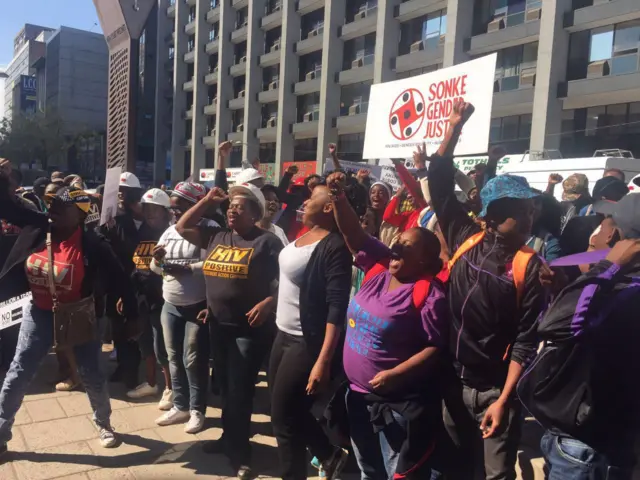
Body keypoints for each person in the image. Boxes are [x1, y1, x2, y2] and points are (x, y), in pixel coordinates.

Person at [428, 99, 545, 480]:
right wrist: (454, 127)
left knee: (496, 475)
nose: (531, 219)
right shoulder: (464, 236)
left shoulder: (529, 266)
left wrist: (505, 400)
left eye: (532, 212)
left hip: (495, 392)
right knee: (456, 467)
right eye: (522, 212)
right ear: (493, 216)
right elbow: (440, 178)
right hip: (453, 381)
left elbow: (527, 342)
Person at [328, 171, 448, 479]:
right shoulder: (378, 270)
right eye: (399, 241)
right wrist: (339, 197)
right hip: (355, 395)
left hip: (394, 405)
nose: (399, 245)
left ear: (424, 260)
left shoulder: (428, 295)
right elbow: (353, 235)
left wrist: (395, 374)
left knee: (397, 470)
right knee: (368, 468)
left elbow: (436, 346)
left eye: (409, 245)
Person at [0, 184, 138, 452]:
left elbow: (121, 278)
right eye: (51, 205)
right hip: (39, 313)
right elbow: (6, 208)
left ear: (80, 215)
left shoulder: (93, 243)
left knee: (92, 374)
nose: (52, 211)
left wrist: (131, 314)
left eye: (61, 207)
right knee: (19, 372)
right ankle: (1, 432)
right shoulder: (38, 228)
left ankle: (103, 422)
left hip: (79, 315)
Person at [518, 194, 640, 479]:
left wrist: (607, 266)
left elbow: (555, 324)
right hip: (576, 439)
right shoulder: (619, 288)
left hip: (587, 447)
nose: (594, 232)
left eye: (602, 223)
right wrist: (564, 288)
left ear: (616, 237)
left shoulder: (627, 292)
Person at [176, 182, 283, 479]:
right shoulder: (217, 236)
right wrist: (208, 200)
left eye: (241, 206)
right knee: (223, 386)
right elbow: (183, 226)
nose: (233, 210)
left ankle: (241, 454)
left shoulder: (267, 242)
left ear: (255, 214)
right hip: (218, 327)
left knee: (240, 391)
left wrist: (269, 303)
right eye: (230, 206)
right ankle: (228, 439)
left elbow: (289, 280)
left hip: (247, 330)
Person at [268, 180, 353, 480]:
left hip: (306, 343)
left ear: (329, 207)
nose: (305, 202)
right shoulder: (304, 235)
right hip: (282, 334)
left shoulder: (334, 245)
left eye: (312, 198)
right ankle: (329, 456)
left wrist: (323, 360)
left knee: (283, 419)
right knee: (286, 411)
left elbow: (336, 307)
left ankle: (297, 472)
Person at [151, 182, 212, 433]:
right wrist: (156, 260)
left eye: (180, 207)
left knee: (193, 360)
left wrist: (186, 268)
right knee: (174, 357)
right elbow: (155, 269)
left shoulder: (209, 231)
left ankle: (198, 410)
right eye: (173, 208)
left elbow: (213, 263)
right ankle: (180, 405)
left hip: (197, 304)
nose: (175, 212)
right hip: (171, 303)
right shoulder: (167, 232)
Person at [123, 188, 172, 408]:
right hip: (140, 296)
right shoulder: (142, 233)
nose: (150, 214)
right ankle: (151, 383)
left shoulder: (170, 234)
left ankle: (170, 389)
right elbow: (135, 265)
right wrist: (128, 294)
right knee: (146, 344)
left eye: (155, 210)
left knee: (162, 346)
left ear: (165, 212)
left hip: (161, 298)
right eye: (147, 209)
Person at [101, 172, 144, 389]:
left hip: (136, 279)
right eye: (118, 190)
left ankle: (134, 369)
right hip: (114, 279)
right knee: (117, 325)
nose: (120, 195)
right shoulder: (112, 217)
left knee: (133, 326)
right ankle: (123, 364)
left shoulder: (143, 217)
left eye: (125, 191)